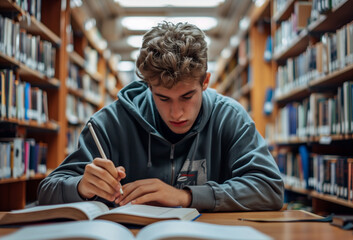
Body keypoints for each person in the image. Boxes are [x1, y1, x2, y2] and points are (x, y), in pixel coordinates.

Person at [38, 21, 284, 212]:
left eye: (187, 96)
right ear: (148, 86)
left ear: (205, 81)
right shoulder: (109, 123)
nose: (176, 113)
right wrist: (81, 186)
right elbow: (47, 189)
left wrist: (186, 196)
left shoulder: (229, 117)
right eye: (163, 98)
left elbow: (270, 188)